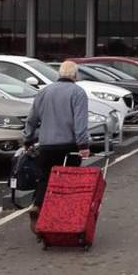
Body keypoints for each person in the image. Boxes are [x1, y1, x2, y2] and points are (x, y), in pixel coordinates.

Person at [23, 60, 89, 233]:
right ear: (75, 75)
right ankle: (61, 219)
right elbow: (80, 122)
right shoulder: (78, 92)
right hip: (69, 146)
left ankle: (37, 205)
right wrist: (83, 144)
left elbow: (32, 118)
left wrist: (28, 139)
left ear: (59, 74)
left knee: (45, 178)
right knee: (67, 182)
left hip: (46, 144)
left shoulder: (45, 91)